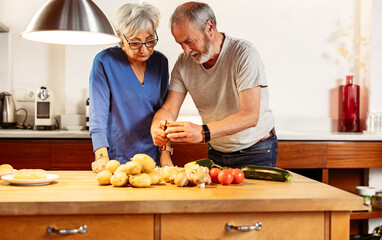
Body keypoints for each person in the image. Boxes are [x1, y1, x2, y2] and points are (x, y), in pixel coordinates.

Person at [151, 2, 277, 169]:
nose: (186, 51)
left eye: (189, 41)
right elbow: (169, 109)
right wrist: (157, 127)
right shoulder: (183, 64)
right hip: (216, 151)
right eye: (180, 44)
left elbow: (250, 115)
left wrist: (203, 132)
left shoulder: (243, 54)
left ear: (209, 27)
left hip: (256, 151)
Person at [90, 2, 173, 173]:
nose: (144, 49)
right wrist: (101, 157)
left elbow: (166, 113)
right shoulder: (104, 61)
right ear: (120, 37)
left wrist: (166, 154)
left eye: (150, 40)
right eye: (135, 43)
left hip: (152, 160)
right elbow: (98, 115)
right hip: (116, 159)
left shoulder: (161, 63)